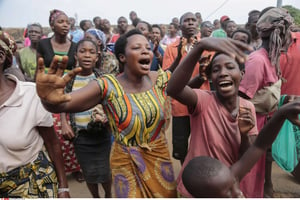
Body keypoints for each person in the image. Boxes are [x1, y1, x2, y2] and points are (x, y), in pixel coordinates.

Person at [35, 29, 178, 198]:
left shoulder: (158, 79)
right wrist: (47, 98)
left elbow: (183, 85)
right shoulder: (107, 85)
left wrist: (196, 50)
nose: (145, 50)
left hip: (158, 158)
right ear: (122, 57)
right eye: (137, 47)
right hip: (124, 160)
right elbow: (62, 104)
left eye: (147, 47)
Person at [166, 38, 256, 197]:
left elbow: (247, 160)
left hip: (224, 190)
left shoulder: (247, 108)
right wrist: (200, 47)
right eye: (216, 70)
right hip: (194, 189)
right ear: (211, 78)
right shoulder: (203, 100)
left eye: (229, 67)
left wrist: (244, 135)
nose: (223, 73)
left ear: (241, 74)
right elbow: (173, 89)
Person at [182, 96, 300, 197]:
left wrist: (281, 114)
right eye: (228, 192)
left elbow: (260, 145)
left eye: (234, 182)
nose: (238, 192)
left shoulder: (230, 178)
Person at [0, 31, 70, 198]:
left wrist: (63, 187)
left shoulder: (29, 95)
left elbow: (53, 144)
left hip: (32, 186)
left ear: (1, 56)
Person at [238, 7, 294, 197]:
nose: (291, 39)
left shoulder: (272, 59)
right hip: (250, 129)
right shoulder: (258, 61)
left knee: (257, 172)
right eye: (289, 33)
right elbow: (242, 101)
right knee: (247, 174)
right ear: (279, 34)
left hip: (263, 124)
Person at [36, 9, 84, 183]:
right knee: (53, 134)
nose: (65, 25)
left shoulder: (75, 45)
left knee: (72, 131)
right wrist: (39, 96)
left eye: (67, 22)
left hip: (69, 90)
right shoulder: (43, 45)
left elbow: (77, 72)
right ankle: (59, 169)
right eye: (61, 22)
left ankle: (76, 168)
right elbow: (38, 71)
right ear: (52, 25)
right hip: (48, 92)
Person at [61, 39, 112, 198]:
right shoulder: (68, 78)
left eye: (92, 52)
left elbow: (112, 103)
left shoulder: (103, 78)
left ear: (97, 57)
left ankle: (108, 195)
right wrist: (64, 123)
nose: (87, 55)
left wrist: (107, 119)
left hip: (103, 134)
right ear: (76, 55)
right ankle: (95, 197)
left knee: (105, 171)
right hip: (80, 136)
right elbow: (62, 101)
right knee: (88, 172)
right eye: (83, 51)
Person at [162, 12, 210, 165]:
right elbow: (167, 74)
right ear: (180, 26)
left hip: (202, 101)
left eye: (193, 20)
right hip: (180, 104)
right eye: (186, 21)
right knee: (181, 145)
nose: (190, 23)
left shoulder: (207, 46)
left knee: (203, 141)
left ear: (198, 24)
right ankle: (185, 173)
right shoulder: (171, 48)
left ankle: (200, 174)